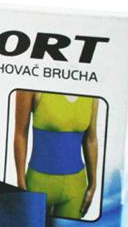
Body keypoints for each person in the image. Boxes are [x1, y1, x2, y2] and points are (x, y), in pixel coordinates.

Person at [14, 91, 99, 219]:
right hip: (38, 186)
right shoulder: (33, 87)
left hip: (76, 188)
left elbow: (91, 139)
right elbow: (20, 134)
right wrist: (20, 183)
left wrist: (93, 184)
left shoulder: (92, 94)